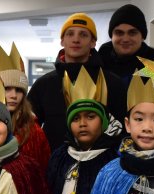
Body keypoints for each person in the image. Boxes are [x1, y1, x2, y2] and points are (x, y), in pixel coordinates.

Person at [27, 12, 126, 152]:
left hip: (103, 167)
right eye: (70, 34)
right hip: (55, 166)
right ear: (62, 41)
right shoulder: (44, 85)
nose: (76, 39)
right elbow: (28, 128)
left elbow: (124, 128)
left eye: (83, 35)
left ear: (93, 42)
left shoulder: (112, 83)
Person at [0, 41, 51, 172]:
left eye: (19, 90)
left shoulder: (34, 131)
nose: (13, 95)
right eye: (7, 89)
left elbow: (42, 171)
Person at [98, 4, 154, 87]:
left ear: (142, 36)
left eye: (132, 33)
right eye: (119, 33)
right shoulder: (98, 65)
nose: (125, 39)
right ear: (111, 36)